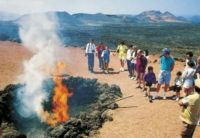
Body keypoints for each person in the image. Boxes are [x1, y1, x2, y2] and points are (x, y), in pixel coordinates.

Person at [179, 73, 200, 138]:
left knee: (184, 135)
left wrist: (187, 94)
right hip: (194, 121)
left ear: (194, 87)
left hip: (188, 121)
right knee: (190, 135)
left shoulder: (191, 97)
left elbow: (180, 102)